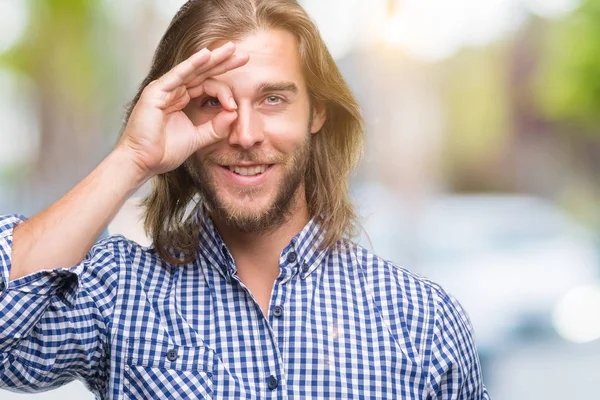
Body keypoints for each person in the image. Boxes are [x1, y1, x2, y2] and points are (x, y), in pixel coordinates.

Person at [0, 0, 490, 398]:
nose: (246, 134)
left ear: (316, 113)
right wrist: (132, 157)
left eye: (273, 99)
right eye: (212, 102)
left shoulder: (421, 320)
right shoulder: (121, 293)